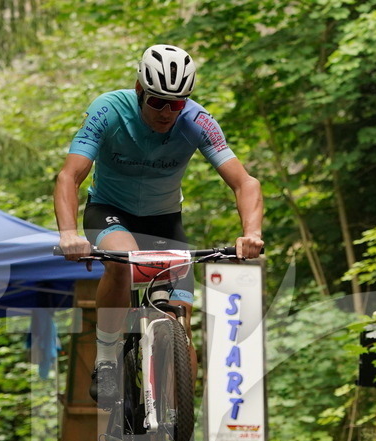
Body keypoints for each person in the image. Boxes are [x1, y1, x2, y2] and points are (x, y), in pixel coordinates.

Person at [54, 44, 264, 407]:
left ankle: (177, 415)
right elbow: (69, 177)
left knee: (179, 321)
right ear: (139, 91)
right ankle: (107, 357)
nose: (167, 112)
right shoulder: (109, 109)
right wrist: (69, 234)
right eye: (157, 102)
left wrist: (252, 234)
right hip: (109, 211)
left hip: (165, 222)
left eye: (177, 103)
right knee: (124, 261)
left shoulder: (197, 121)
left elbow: (246, 183)